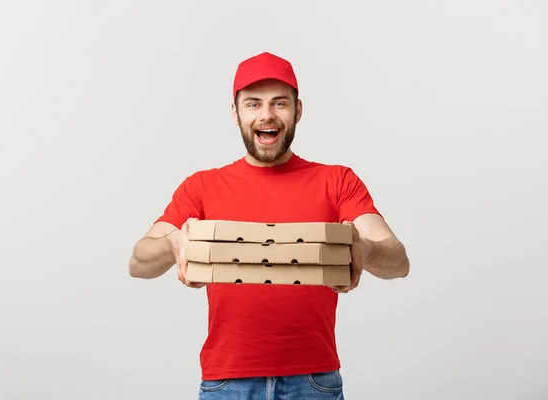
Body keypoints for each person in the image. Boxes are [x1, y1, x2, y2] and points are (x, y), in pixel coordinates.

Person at [129, 51, 410, 399]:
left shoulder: (337, 181)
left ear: (298, 111)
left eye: (279, 103)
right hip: (226, 383)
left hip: (313, 382)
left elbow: (398, 262)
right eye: (253, 104)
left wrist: (365, 249)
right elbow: (138, 261)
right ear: (235, 113)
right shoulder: (201, 186)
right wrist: (173, 245)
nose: (266, 114)